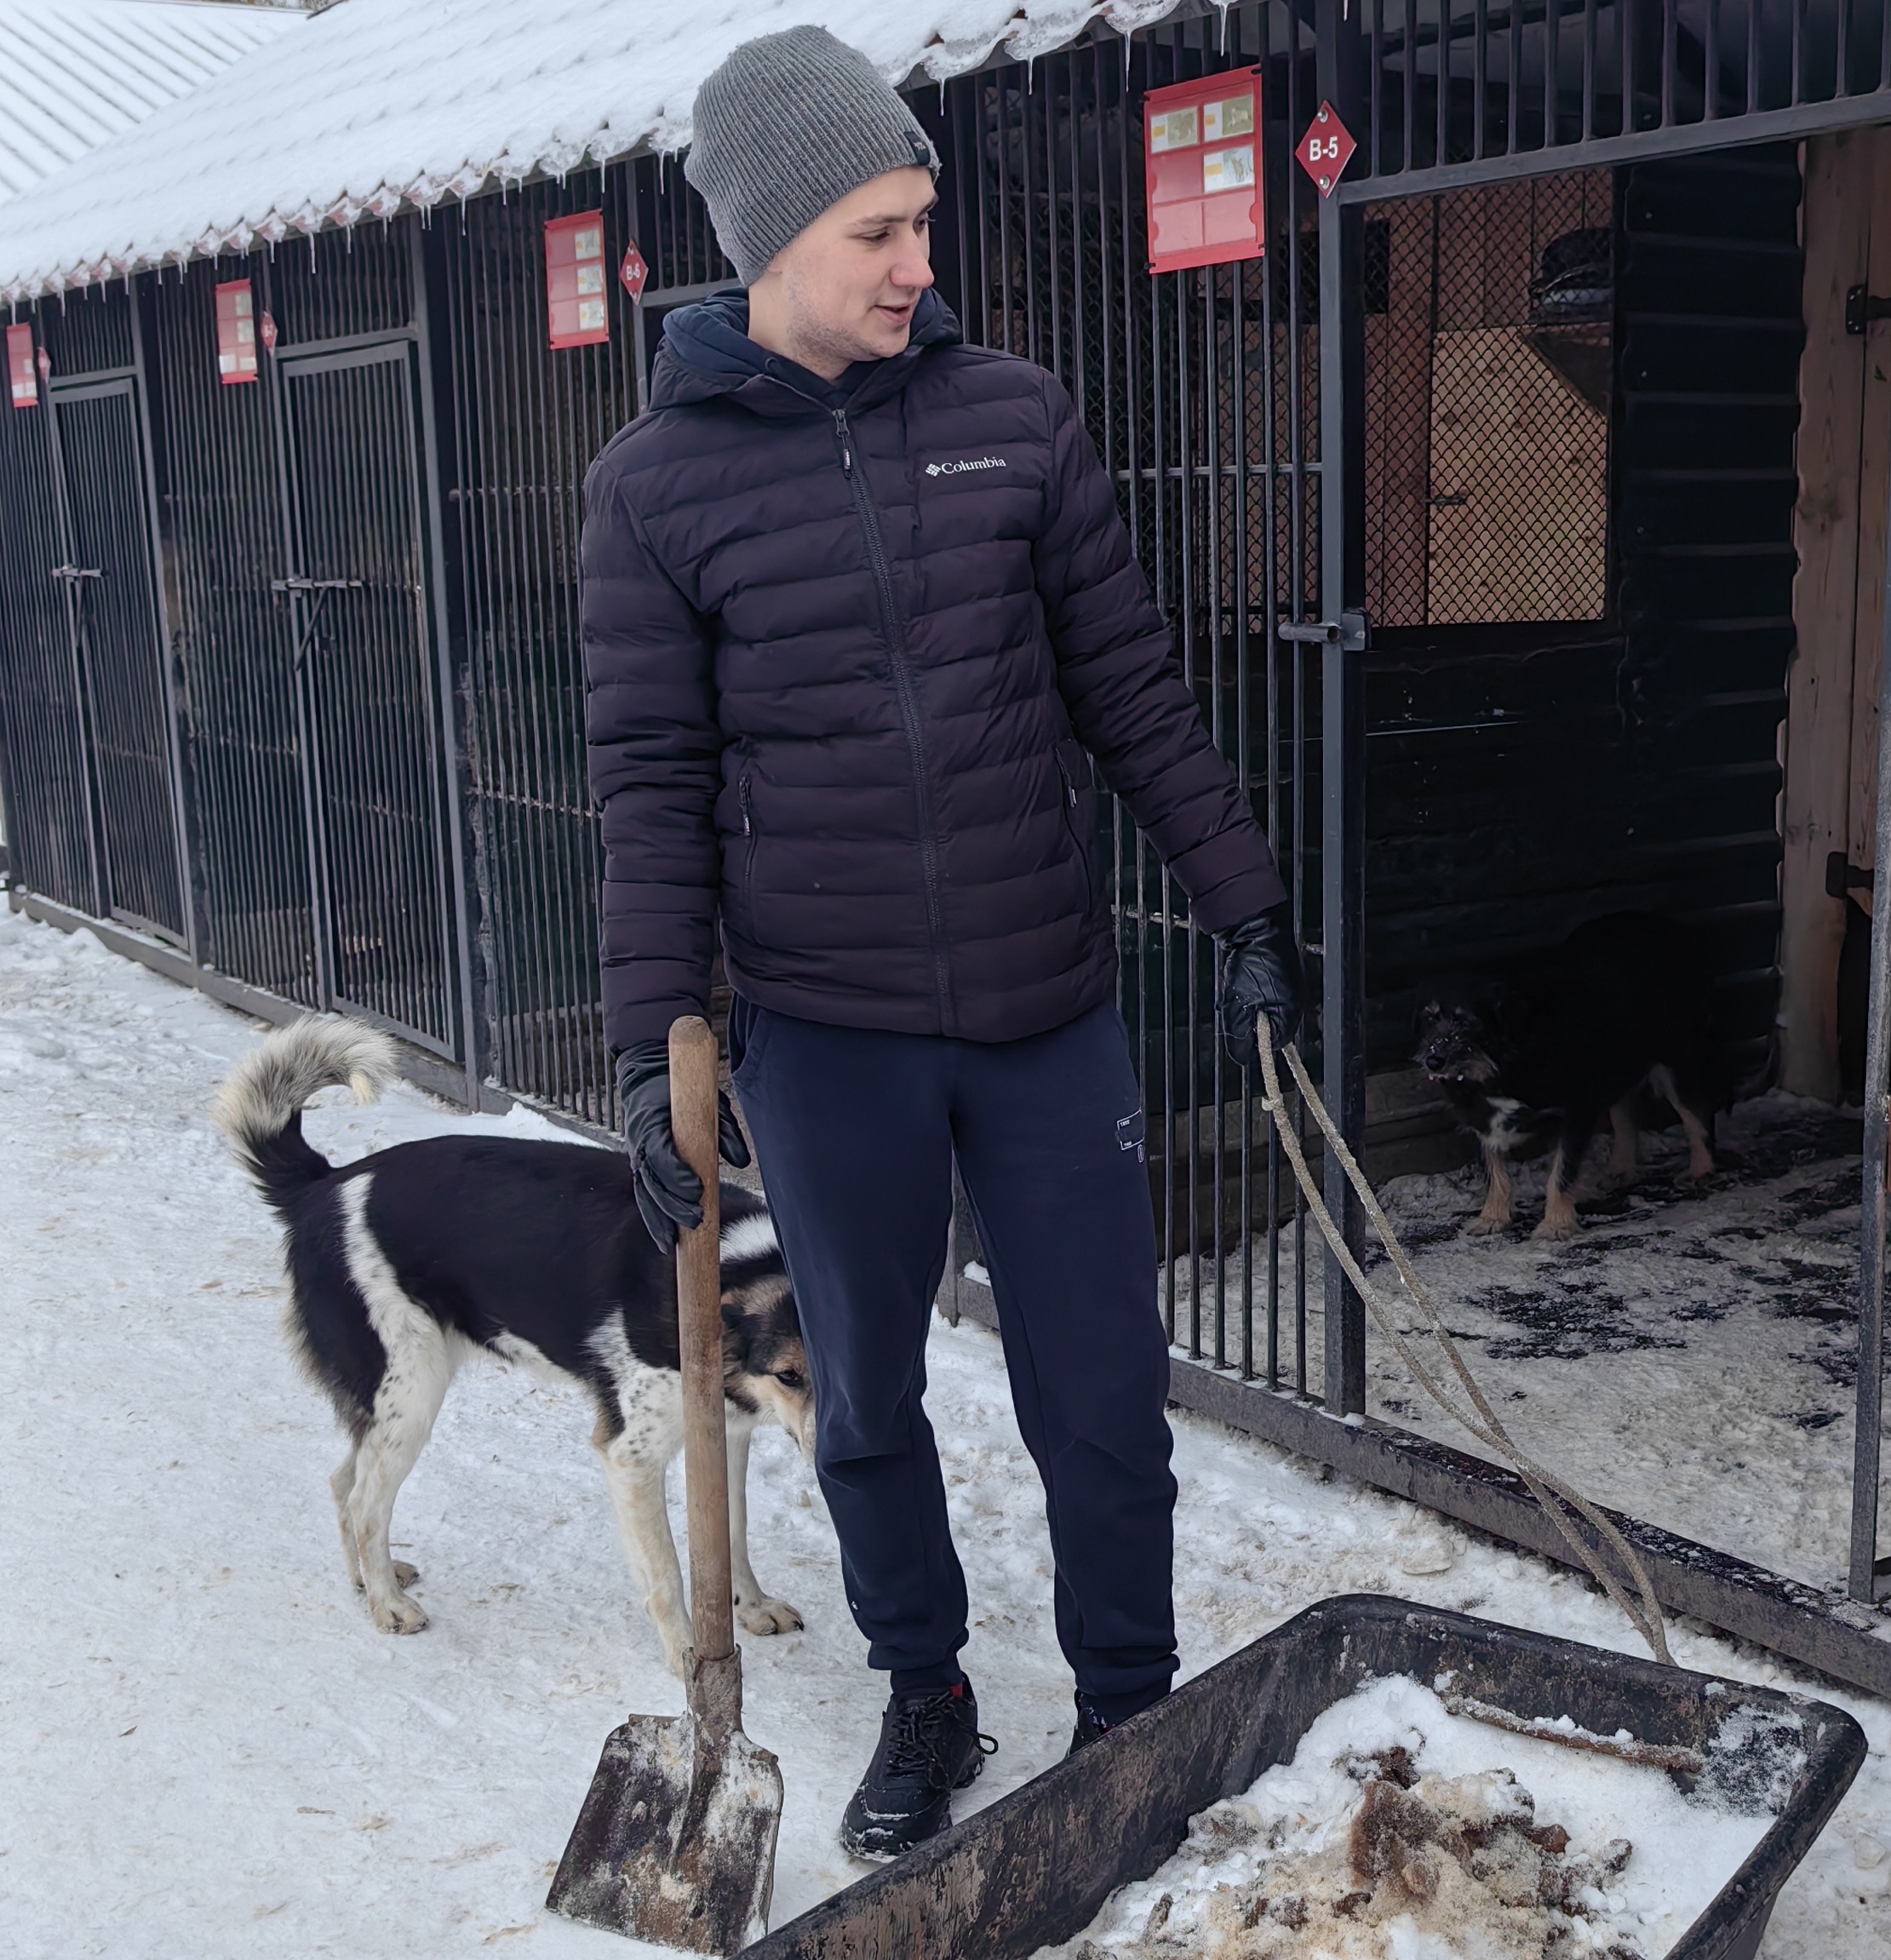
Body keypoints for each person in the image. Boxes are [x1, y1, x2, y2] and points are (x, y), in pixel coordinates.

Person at [580, 25, 1304, 1860]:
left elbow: (1130, 690)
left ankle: (1130, 1701)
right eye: (878, 233)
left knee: (1103, 1392)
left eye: (922, 222)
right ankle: (929, 1685)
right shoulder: (652, 495)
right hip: (827, 1035)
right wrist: (648, 1044)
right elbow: (652, 785)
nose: (920, 263)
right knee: (867, 1400)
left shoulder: (1015, 417)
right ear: (770, 242)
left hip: (1046, 1002)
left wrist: (1244, 901)